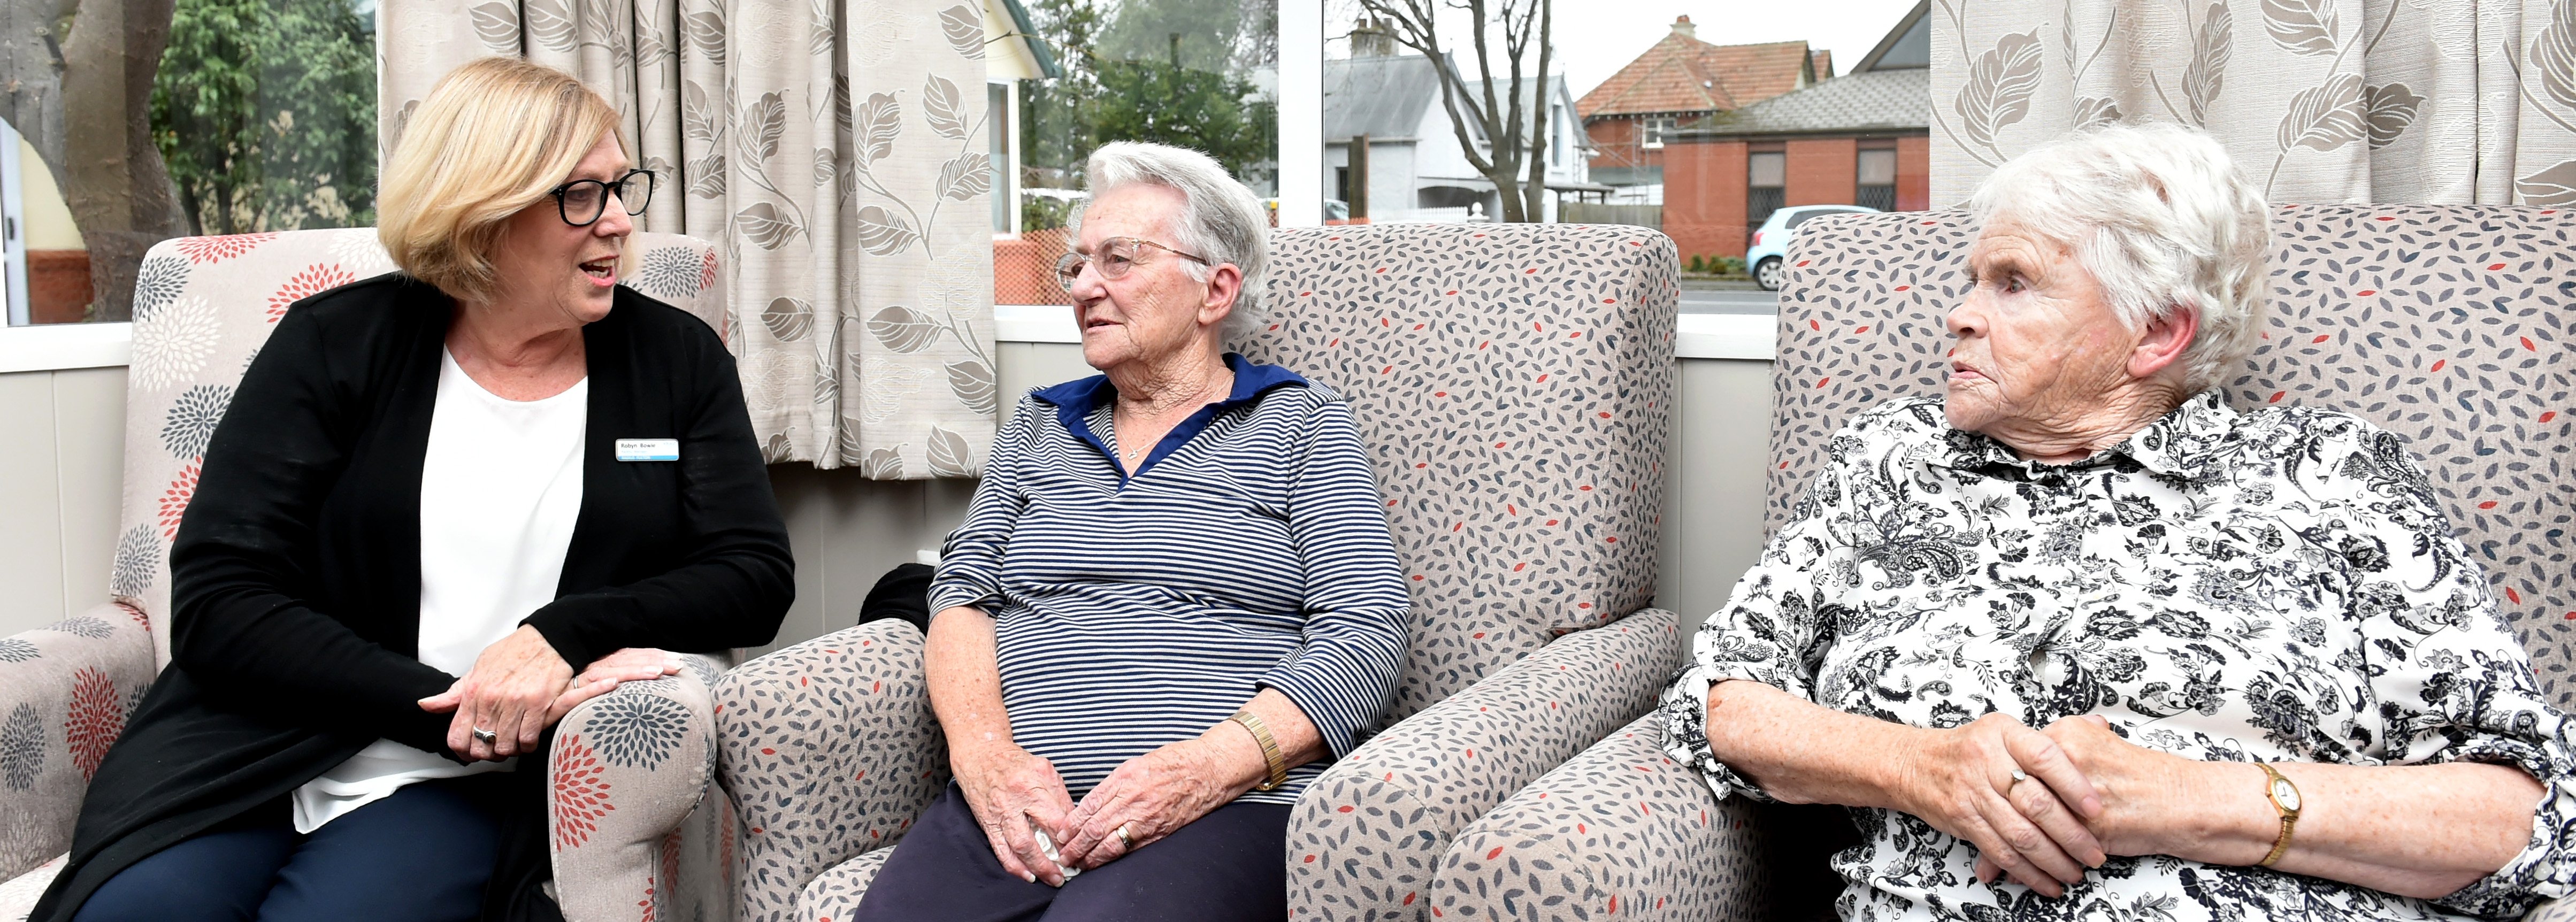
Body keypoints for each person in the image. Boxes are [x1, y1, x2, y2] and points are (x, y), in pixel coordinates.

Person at [1658, 122, 2576, 920]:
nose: (1959, 316)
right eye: (1973, 278)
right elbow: (1723, 700)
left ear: (2156, 333)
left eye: (2012, 283)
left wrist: (2192, 799)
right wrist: (1922, 768)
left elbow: (2528, 816)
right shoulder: (1894, 461)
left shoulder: (2328, 475)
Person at [34, 58, 793, 922]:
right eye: (581, 195)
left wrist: (564, 632)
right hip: (251, 748)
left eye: (622, 188)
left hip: (461, 783)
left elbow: (753, 575)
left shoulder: (676, 361)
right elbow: (219, 600)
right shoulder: (337, 343)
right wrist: (444, 711)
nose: (619, 223)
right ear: (485, 211)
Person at [850, 141, 1411, 922]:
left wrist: (1205, 769)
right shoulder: (1041, 423)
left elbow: (1368, 627)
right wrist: (985, 759)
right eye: (1076, 265)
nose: (1084, 287)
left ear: (1215, 290)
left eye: (1118, 260)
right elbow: (961, 597)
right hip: (1019, 801)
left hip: (1225, 807)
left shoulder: (1300, 424)